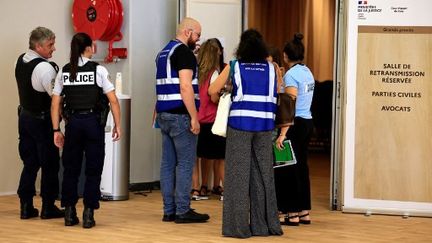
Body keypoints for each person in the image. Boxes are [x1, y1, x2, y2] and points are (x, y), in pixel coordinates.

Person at [208, 29, 283, 238]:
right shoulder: (272, 68)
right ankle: (265, 226)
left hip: (240, 125)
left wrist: (230, 88)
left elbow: (211, 90)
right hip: (265, 125)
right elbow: (276, 91)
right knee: (263, 175)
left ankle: (237, 228)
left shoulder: (234, 66)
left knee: (237, 177)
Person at [51, 32, 121, 228]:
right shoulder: (98, 70)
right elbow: (113, 100)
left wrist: (56, 129)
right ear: (88, 47)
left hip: (72, 123)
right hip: (92, 124)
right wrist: (118, 125)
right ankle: (89, 213)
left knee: (70, 169)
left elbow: (55, 103)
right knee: (93, 168)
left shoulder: (65, 71)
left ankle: (69, 212)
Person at [155, 17, 209, 223]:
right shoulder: (184, 53)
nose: (198, 40)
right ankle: (182, 210)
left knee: (167, 164)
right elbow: (185, 87)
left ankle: (169, 210)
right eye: (197, 35)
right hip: (180, 115)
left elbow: (162, 84)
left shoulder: (163, 53)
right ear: (187, 32)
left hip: (165, 114)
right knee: (186, 164)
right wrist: (194, 117)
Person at [15, 26, 64, 220]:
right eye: (50, 45)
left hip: (24, 118)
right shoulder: (45, 68)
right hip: (42, 121)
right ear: (38, 46)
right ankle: (48, 207)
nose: (54, 49)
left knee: (30, 163)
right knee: (50, 164)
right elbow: (56, 99)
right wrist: (58, 126)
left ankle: (25, 206)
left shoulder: (21, 60)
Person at [274, 33, 314, 226]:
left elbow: (290, 103)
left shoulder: (291, 74)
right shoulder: (307, 71)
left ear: (285, 55)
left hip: (294, 123)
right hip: (307, 122)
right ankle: (304, 211)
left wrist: (282, 133)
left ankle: (291, 212)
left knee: (287, 167)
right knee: (302, 167)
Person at [192, 38, 226, 201]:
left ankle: (197, 189)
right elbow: (214, 98)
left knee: (198, 156)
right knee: (220, 157)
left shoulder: (195, 71)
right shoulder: (214, 73)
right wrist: (225, 98)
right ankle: (225, 189)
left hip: (198, 118)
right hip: (212, 120)